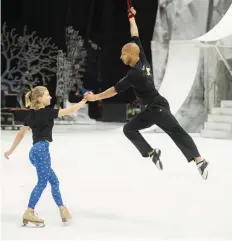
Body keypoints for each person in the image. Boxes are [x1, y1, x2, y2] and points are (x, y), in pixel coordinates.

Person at [85, 7, 209, 180]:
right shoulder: (141, 57)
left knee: (176, 131)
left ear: (130, 54)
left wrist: (95, 97)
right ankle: (152, 153)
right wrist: (131, 17)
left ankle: (199, 160)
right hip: (152, 108)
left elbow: (113, 91)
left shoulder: (134, 74)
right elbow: (135, 35)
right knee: (129, 129)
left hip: (157, 107)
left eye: (122, 53)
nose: (120, 57)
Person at [4, 86, 88, 226]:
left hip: (34, 151)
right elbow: (71, 110)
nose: (50, 97)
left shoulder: (30, 115)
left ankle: (62, 209)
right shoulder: (48, 112)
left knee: (54, 181)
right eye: (47, 95)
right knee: (42, 182)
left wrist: (10, 151)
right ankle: (29, 211)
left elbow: (20, 135)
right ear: (39, 99)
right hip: (42, 150)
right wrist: (84, 100)